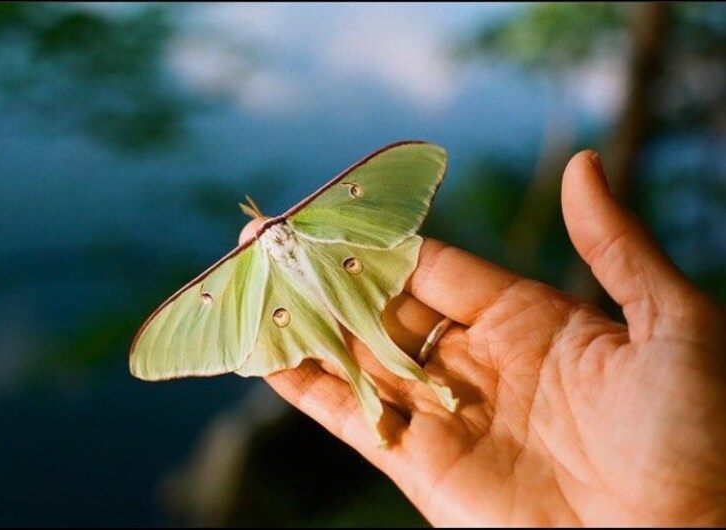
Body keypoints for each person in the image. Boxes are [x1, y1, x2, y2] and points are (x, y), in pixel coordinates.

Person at [239, 151, 726, 526]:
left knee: (362, 345)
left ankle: (397, 402)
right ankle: (416, 394)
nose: (274, 232)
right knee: (351, 352)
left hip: (332, 270)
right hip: (318, 282)